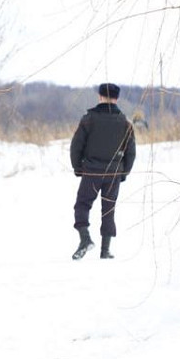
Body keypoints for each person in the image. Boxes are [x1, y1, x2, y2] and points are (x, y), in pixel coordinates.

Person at [70, 82, 136, 260]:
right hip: (113, 173)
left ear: (100, 97)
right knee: (108, 210)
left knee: (82, 205)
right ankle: (105, 251)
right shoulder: (125, 123)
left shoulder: (89, 119)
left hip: (91, 172)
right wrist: (123, 173)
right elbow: (131, 153)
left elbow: (76, 146)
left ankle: (85, 239)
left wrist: (78, 167)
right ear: (117, 98)